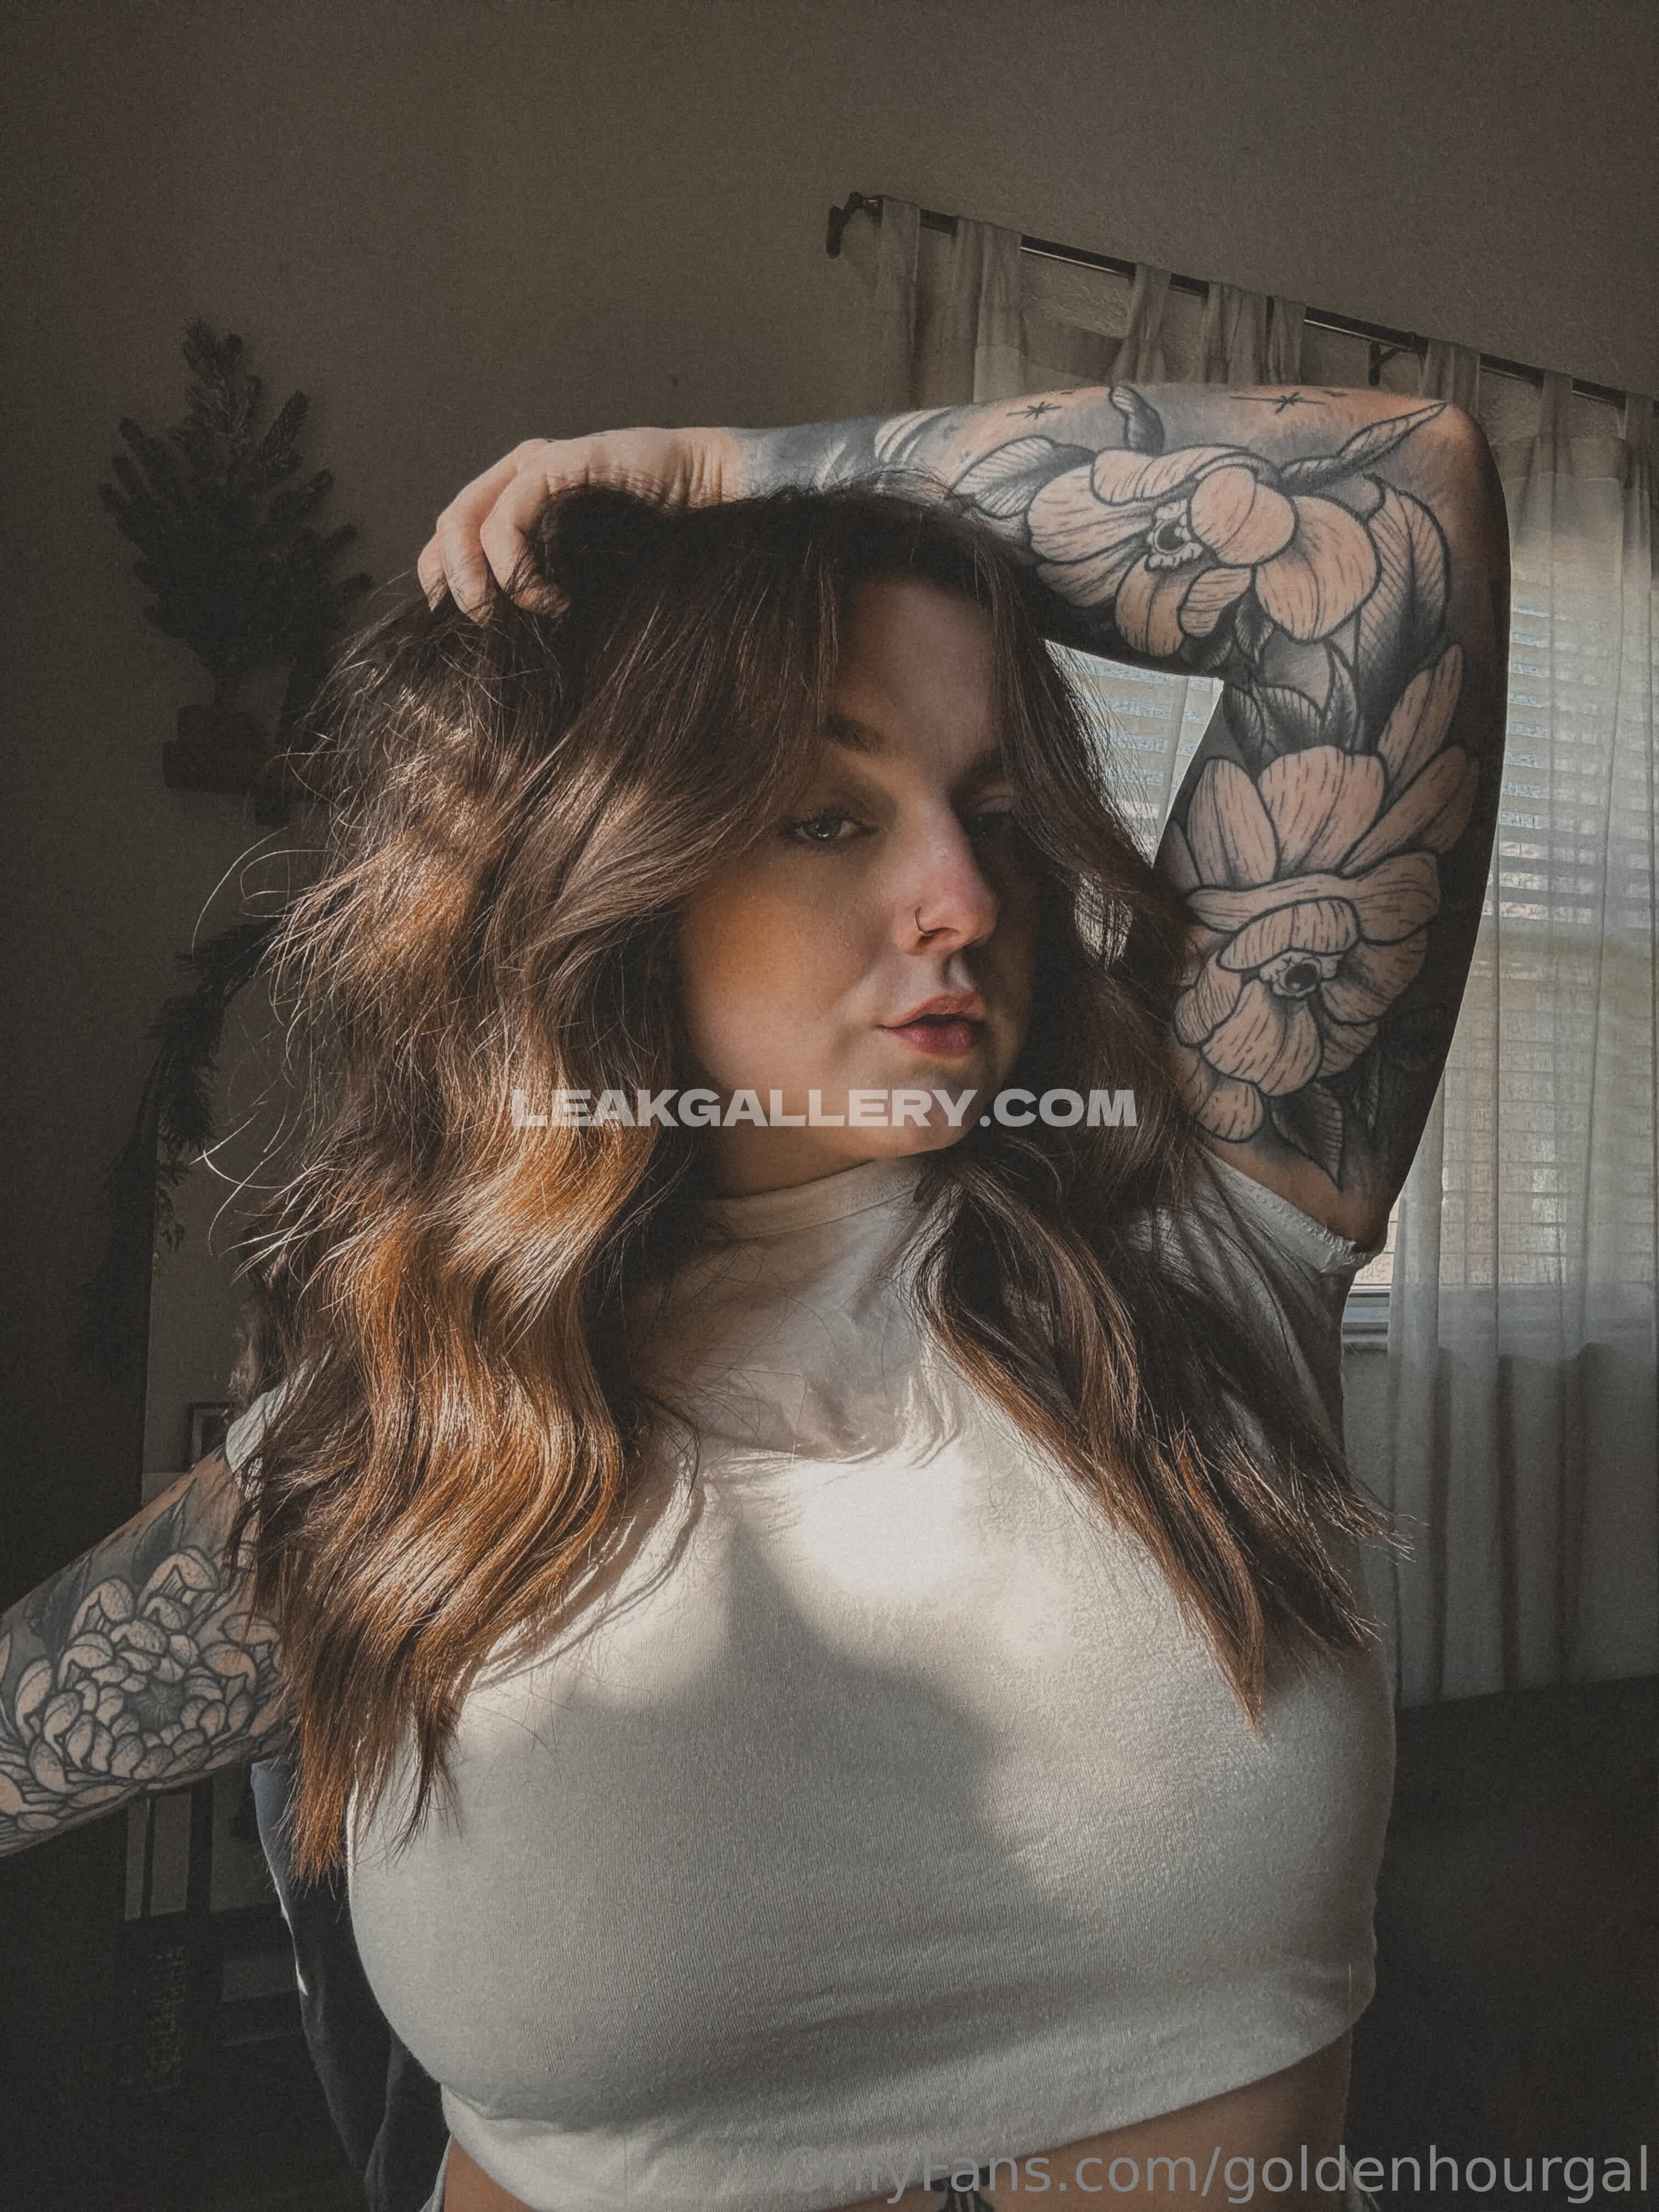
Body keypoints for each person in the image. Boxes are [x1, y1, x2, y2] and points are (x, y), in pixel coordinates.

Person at [0, 376, 1510, 2212]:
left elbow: (1385, 512)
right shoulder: (427, 1422)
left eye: (996, 811)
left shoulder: (1193, 1226)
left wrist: (728, 475)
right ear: (615, 865)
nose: (963, 895)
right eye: (824, 815)